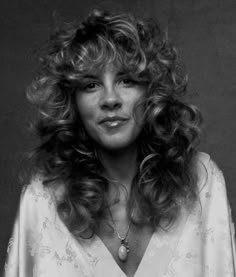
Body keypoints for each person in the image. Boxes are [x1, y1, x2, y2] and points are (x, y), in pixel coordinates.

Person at [4, 9, 236, 277]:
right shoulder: (41, 197)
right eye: (91, 85)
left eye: (127, 80)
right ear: (72, 101)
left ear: (152, 92)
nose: (110, 99)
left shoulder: (202, 182)